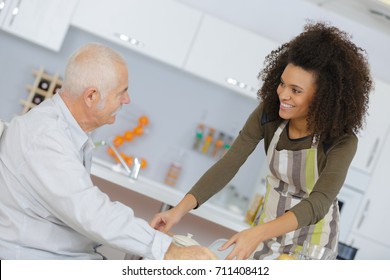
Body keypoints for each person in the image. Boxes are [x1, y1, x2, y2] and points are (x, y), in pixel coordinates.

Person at [150, 22, 373, 260]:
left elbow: (320, 202)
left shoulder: (340, 141)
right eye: (282, 83)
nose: (283, 95)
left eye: (296, 90)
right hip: (266, 229)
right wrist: (178, 211)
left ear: (323, 97)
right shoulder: (269, 115)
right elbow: (230, 163)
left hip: (312, 244)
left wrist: (257, 233)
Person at [0, 43, 217, 260]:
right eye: (121, 92)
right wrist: (168, 250)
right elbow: (90, 212)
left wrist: (152, 240)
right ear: (91, 96)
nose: (127, 100)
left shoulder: (66, 131)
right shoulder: (45, 138)